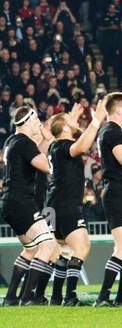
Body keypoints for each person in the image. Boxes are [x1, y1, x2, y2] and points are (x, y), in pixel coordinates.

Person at [44, 100, 106, 306]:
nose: (74, 121)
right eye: (69, 121)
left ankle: (56, 297)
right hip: (66, 204)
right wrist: (96, 119)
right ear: (63, 129)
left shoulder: (55, 146)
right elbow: (83, 144)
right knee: (82, 247)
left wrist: (74, 120)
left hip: (54, 204)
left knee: (63, 252)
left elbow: (79, 138)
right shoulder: (63, 145)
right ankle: (70, 296)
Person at [1, 106, 59, 306]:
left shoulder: (12, 141)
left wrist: (44, 140)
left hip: (11, 202)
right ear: (26, 122)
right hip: (22, 201)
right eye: (35, 120)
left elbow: (35, 153)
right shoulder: (24, 143)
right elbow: (46, 166)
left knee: (31, 249)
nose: (39, 123)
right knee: (48, 245)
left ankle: (10, 297)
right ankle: (28, 297)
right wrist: (51, 140)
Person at [92, 91, 122, 307]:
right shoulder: (113, 131)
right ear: (119, 110)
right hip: (117, 192)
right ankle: (103, 297)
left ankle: (121, 296)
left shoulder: (111, 131)